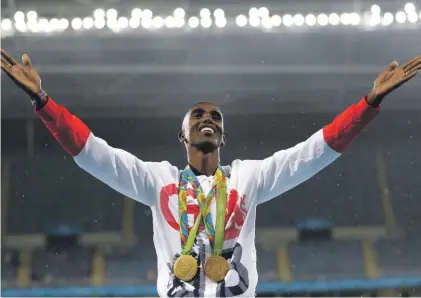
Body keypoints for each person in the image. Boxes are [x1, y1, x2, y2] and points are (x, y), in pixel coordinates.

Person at [1, 49, 420, 297]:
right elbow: (94, 153)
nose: (208, 118)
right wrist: (42, 100)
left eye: (216, 116)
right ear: (181, 135)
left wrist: (367, 104)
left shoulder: (249, 178)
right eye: (198, 115)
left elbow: (313, 153)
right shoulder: (157, 181)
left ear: (223, 135)